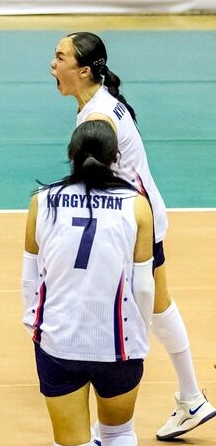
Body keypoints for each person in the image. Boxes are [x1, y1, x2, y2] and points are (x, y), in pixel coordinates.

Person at [50, 31, 216, 441]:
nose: (52, 65)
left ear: (83, 70)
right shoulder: (100, 101)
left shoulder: (97, 119)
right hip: (142, 216)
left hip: (132, 224)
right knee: (160, 306)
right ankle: (191, 398)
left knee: (140, 310)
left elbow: (96, 183)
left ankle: (119, 415)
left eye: (60, 57)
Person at [22, 120, 155, 446]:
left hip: (58, 339)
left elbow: (29, 277)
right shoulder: (137, 205)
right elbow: (144, 286)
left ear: (71, 154)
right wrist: (140, 332)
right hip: (118, 343)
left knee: (71, 441)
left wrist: (35, 325)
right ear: (115, 157)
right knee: (119, 433)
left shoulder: (43, 200)